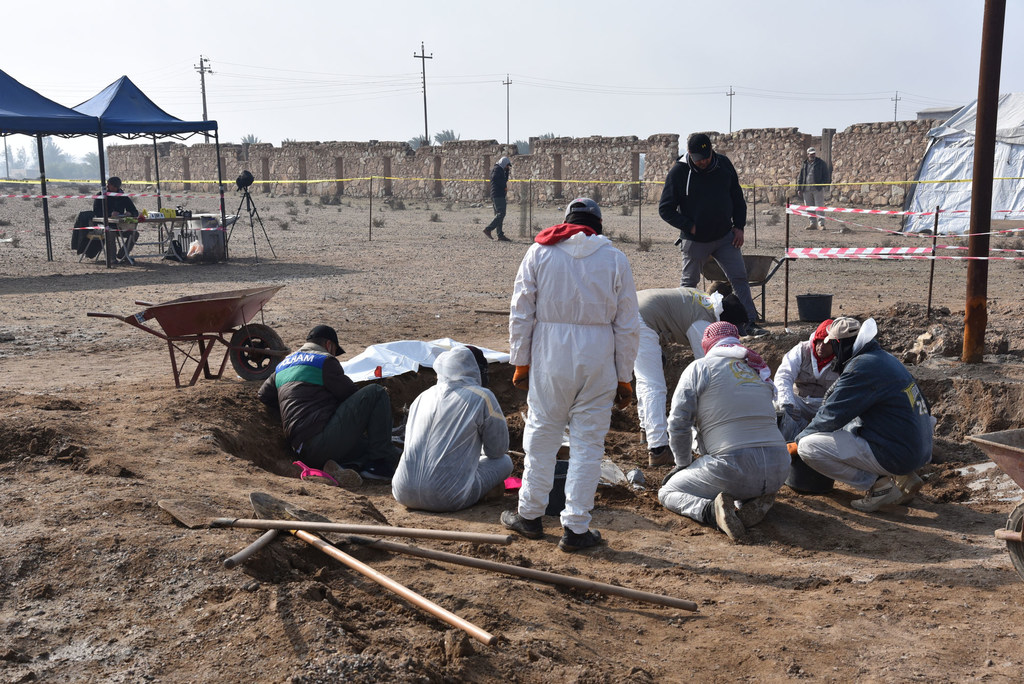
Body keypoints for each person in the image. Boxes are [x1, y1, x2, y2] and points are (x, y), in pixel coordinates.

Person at [502, 197, 641, 552]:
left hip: (550, 355)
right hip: (599, 358)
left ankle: (530, 516)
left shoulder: (539, 253)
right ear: (598, 225)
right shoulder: (615, 259)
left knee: (542, 437)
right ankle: (576, 529)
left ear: (566, 221)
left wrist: (521, 361)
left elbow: (521, 310)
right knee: (588, 446)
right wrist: (624, 375)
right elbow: (628, 323)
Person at [658, 321, 789, 541]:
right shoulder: (757, 370)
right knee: (746, 474)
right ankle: (756, 499)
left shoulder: (699, 368)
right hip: (780, 467)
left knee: (668, 492)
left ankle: (712, 512)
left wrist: (682, 464)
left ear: (707, 345)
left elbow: (679, 423)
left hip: (732, 467)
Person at [791, 317, 934, 512]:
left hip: (900, 454)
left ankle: (880, 486)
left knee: (809, 447)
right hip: (918, 447)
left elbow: (831, 415)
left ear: (839, 344)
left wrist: (797, 441)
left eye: (833, 346)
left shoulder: (861, 367)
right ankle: (904, 476)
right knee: (854, 422)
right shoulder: (884, 358)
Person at [258, 325, 401, 483]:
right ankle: (379, 466)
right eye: (334, 351)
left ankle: (349, 466)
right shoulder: (324, 360)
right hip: (321, 442)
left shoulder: (282, 365)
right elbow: (352, 395)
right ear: (329, 345)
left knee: (369, 444)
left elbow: (263, 395)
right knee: (376, 392)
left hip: (301, 450)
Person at [658, 133, 767, 337]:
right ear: (689, 153)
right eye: (699, 158)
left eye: (707, 157)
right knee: (689, 285)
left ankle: (749, 323)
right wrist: (688, 226)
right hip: (695, 240)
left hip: (725, 237)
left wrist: (739, 226)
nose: (704, 161)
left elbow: (737, 197)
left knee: (739, 278)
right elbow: (665, 209)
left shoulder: (723, 164)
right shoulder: (679, 172)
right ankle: (687, 327)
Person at [634, 287, 749, 466]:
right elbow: (710, 370)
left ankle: (646, 429)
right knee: (652, 384)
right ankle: (659, 449)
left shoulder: (704, 303)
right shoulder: (702, 323)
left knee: (645, 379)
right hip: (640, 318)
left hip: (634, 308)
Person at [391, 346, 514, 512]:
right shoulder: (482, 396)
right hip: (448, 498)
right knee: (505, 462)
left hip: (403, 493)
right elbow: (498, 451)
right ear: (475, 369)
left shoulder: (422, 397)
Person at [774, 318, 841, 441]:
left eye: (826, 343)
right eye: (818, 341)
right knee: (775, 402)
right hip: (798, 402)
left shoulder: (842, 358)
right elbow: (784, 375)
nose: (821, 346)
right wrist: (786, 403)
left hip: (824, 406)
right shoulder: (802, 350)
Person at [797, 147, 832, 230]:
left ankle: (821, 224)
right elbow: (800, 176)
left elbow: (826, 175)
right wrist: (799, 188)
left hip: (817, 189)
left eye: (814, 154)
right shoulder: (804, 164)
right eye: (811, 154)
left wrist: (822, 184)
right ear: (808, 154)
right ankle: (812, 223)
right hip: (806, 189)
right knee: (809, 207)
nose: (813, 155)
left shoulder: (821, 163)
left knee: (819, 206)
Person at [483, 156, 512, 242]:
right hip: (497, 194)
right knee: (501, 213)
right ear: (504, 163)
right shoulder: (497, 169)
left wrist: (507, 172)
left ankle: (500, 235)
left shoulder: (501, 170)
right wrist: (503, 186)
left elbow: (504, 180)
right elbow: (496, 179)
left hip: (499, 194)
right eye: (507, 165)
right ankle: (488, 229)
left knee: (499, 215)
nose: (507, 167)